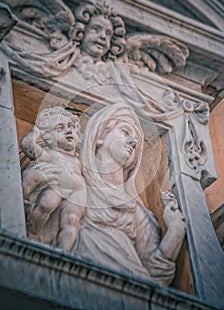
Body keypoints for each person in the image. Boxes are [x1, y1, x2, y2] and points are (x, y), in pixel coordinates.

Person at [73, 103, 186, 286]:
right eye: (125, 132)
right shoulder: (73, 183)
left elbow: (156, 274)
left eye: (137, 141)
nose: (133, 141)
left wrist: (176, 230)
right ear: (100, 136)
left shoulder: (137, 212)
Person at [21, 106, 87, 252]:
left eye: (71, 127)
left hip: (78, 191)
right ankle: (32, 234)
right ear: (48, 136)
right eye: (60, 128)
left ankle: (64, 252)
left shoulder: (80, 162)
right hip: (57, 186)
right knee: (45, 204)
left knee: (72, 221)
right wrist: (36, 132)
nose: (68, 131)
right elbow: (28, 145)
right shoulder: (50, 154)